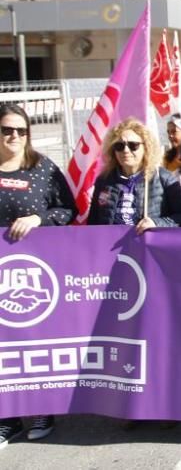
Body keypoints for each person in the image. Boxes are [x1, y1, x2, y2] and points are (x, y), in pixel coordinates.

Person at [0, 104, 75, 446]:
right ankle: (8, 418)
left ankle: (43, 409)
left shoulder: (42, 167)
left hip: (35, 271)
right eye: (6, 129)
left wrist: (39, 220)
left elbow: (68, 208)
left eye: (20, 130)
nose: (14, 136)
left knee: (34, 338)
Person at [88, 118, 181, 230]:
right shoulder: (104, 180)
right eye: (119, 146)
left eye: (133, 145)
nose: (126, 151)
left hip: (147, 246)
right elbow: (93, 222)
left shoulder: (162, 178)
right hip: (110, 245)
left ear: (146, 148)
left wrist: (156, 223)